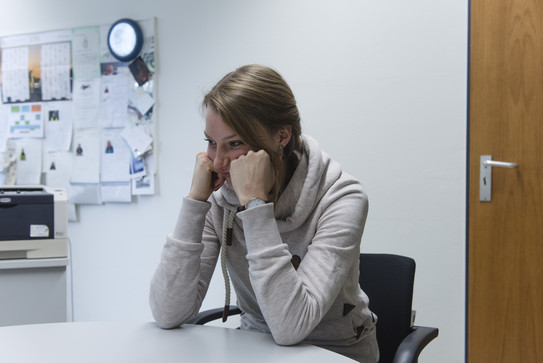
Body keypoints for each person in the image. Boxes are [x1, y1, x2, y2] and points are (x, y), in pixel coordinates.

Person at [149, 64, 378, 362]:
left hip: (336, 351)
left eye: (234, 143)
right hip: (255, 347)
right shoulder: (220, 198)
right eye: (211, 142)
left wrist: (255, 208)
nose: (217, 162)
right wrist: (195, 201)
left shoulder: (342, 197)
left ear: (281, 135)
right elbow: (168, 312)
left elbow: (290, 326)